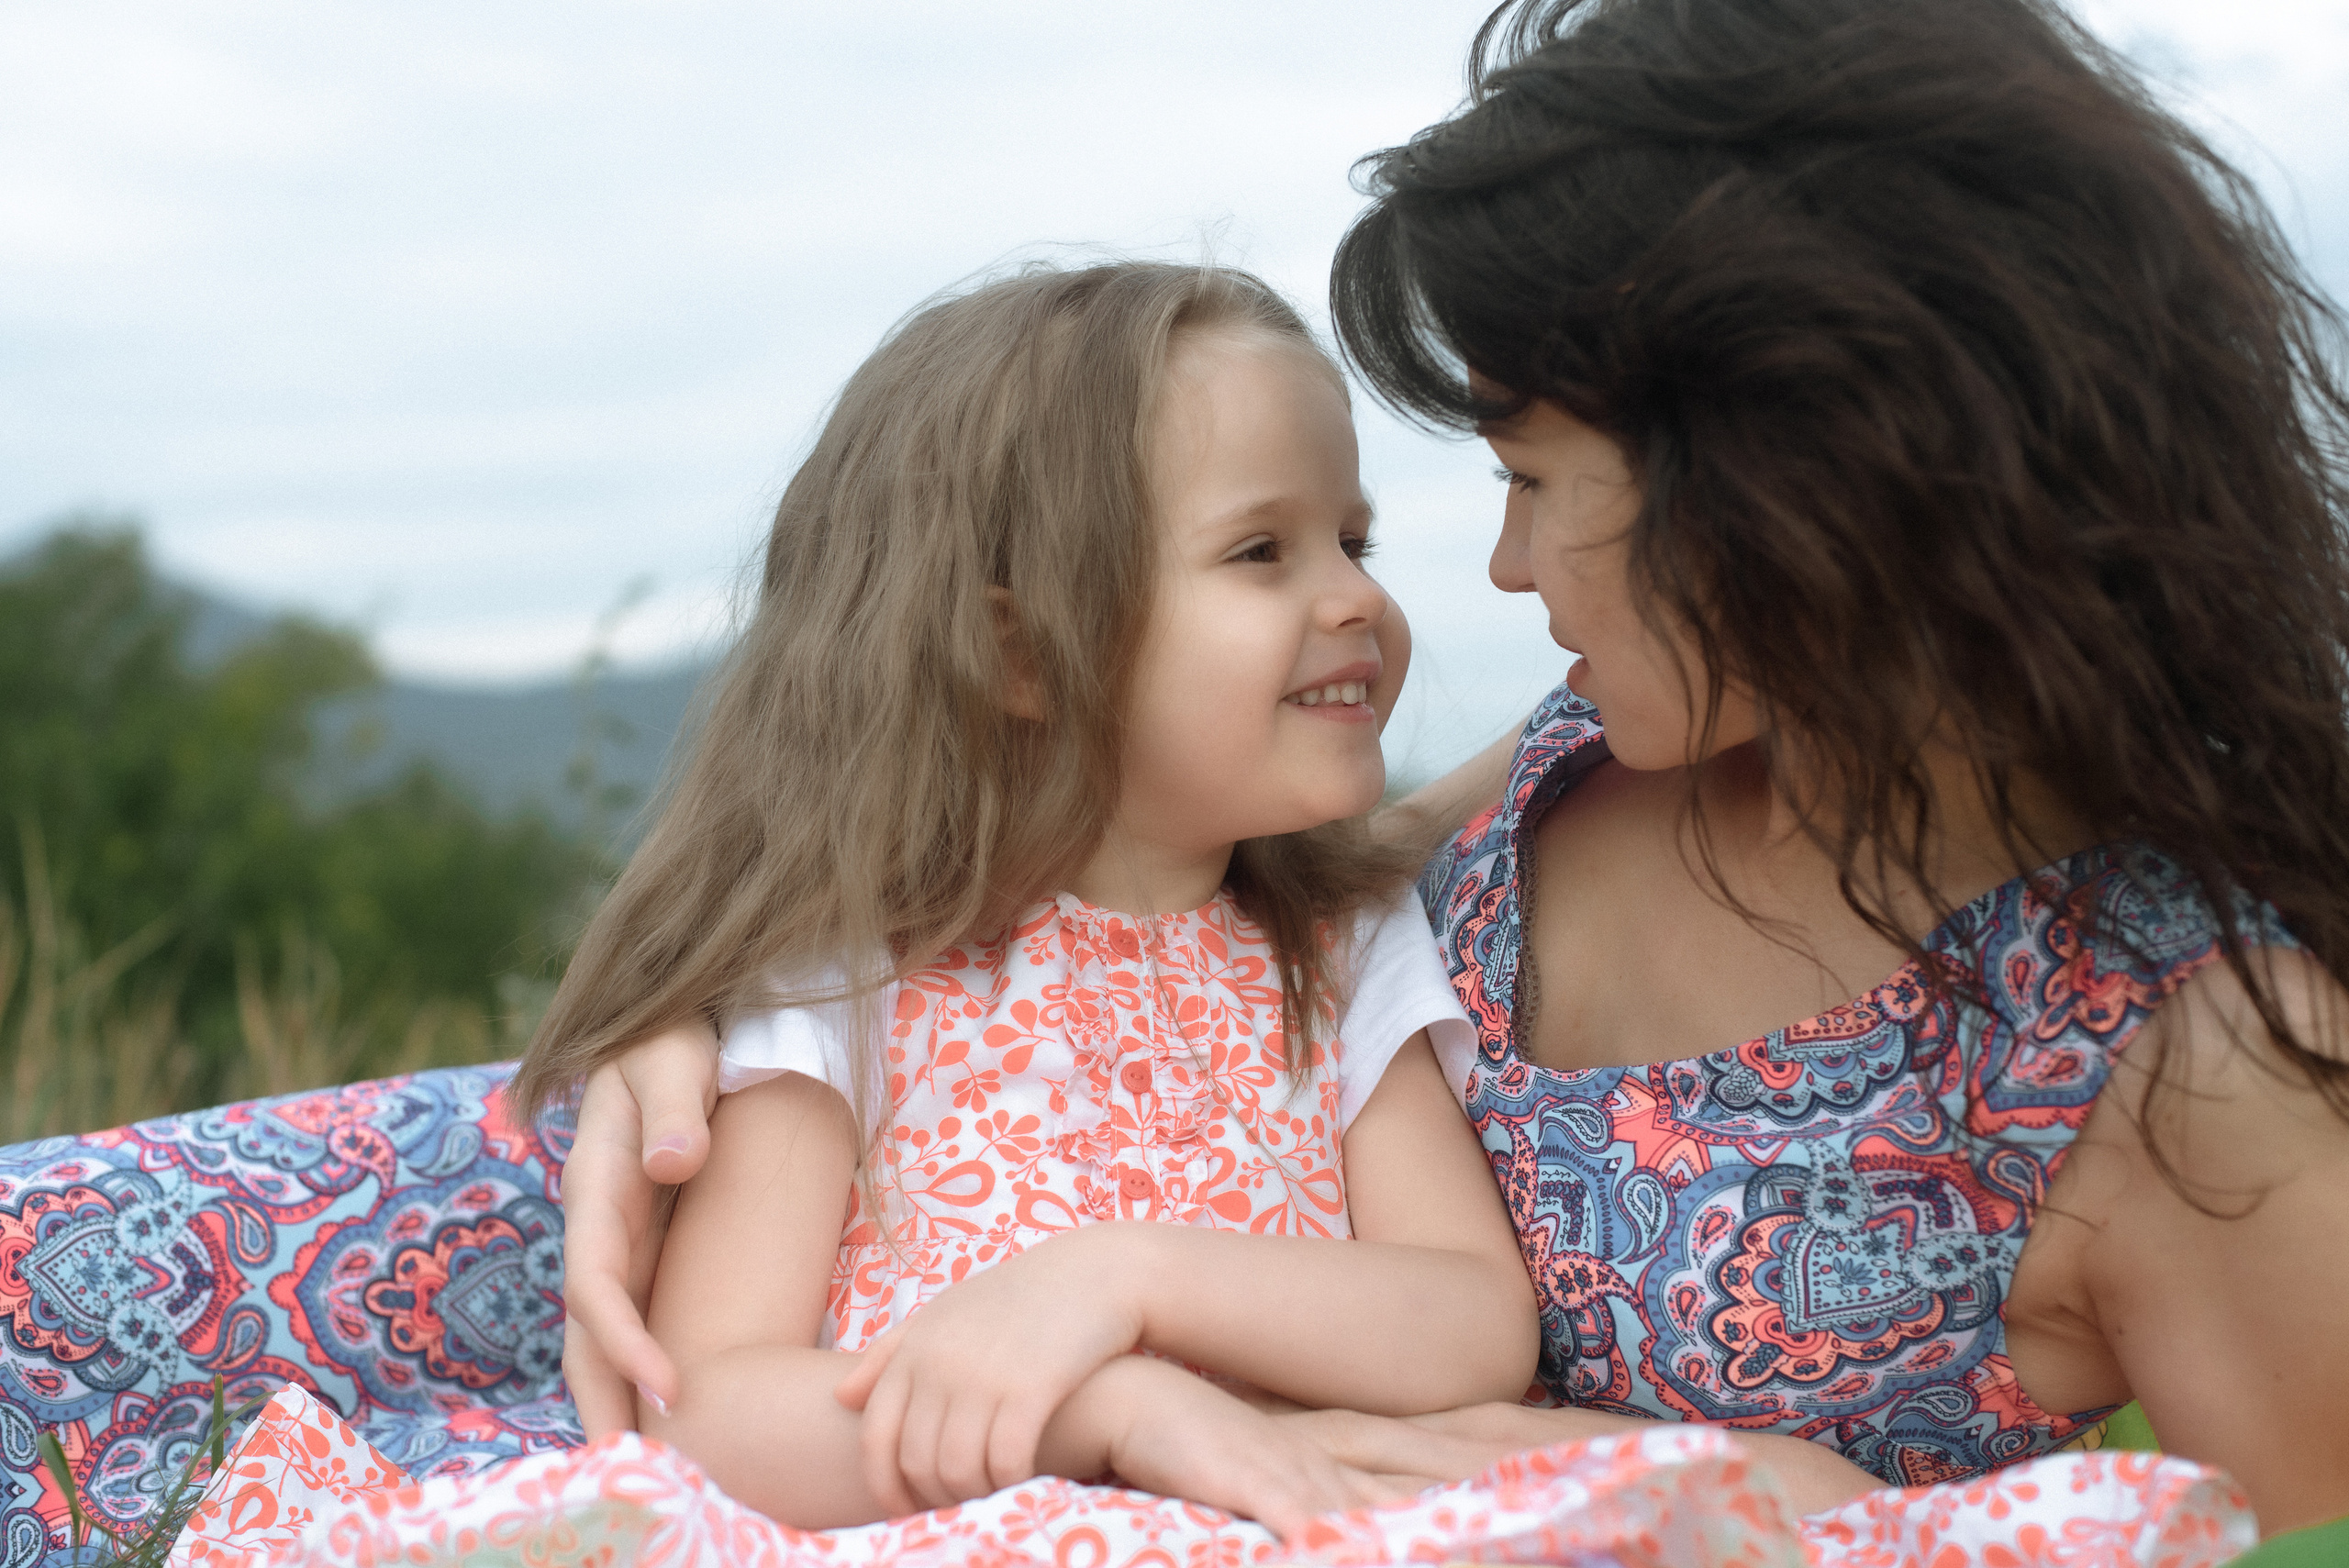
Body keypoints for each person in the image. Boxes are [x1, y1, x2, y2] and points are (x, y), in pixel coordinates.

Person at [562, 0, 2349, 1544]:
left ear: (1798, 465)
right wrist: (680, 1025)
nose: (1493, 570)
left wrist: (1797, 1516)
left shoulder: (2199, 1063)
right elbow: (1105, 899)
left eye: (1527, 475)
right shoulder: (1565, 770)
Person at [508, 261, 1542, 1537]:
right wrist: (1107, 1415)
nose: (1357, 597)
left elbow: (1472, 1322)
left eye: (1353, 540)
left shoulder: (1336, 947)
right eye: (1261, 551)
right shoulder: (848, 974)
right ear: (1022, 654)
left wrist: (1133, 1278)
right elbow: (708, 1413)